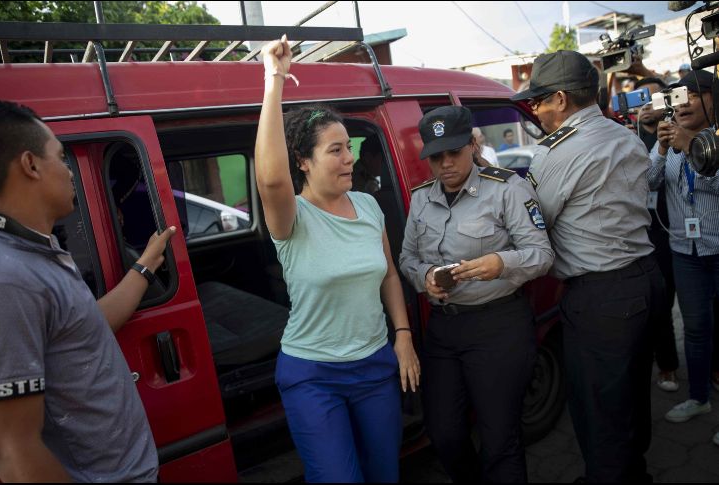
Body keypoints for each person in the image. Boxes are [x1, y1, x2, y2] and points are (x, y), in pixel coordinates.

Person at [0, 100, 175, 482]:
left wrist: (145, 265)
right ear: (30, 165)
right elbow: (11, 452)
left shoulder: (35, 250)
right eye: (61, 157)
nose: (70, 171)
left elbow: (85, 326)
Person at [254, 36, 421, 482]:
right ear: (302, 162)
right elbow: (270, 180)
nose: (350, 158)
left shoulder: (367, 206)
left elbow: (388, 275)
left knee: (384, 473)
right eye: (335, 150)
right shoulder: (292, 217)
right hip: (313, 375)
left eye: (349, 147)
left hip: (373, 366)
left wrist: (401, 334)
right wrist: (274, 80)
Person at [512, 50, 663, 482]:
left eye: (538, 100)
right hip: (645, 280)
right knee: (631, 397)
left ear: (560, 99)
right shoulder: (625, 136)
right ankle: (633, 473)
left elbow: (532, 224)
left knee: (600, 413)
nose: (535, 111)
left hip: (601, 298)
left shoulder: (556, 155)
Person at [399, 105, 554, 483]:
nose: (446, 164)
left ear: (471, 145)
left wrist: (500, 263)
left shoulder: (507, 189)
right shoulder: (422, 198)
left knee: (500, 438)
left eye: (454, 152)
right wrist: (427, 277)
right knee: (445, 433)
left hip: (497, 325)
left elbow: (542, 255)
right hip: (445, 330)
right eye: (437, 157)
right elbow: (407, 258)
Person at [648, 69, 719, 448]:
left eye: (693, 94)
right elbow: (649, 181)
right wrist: (661, 148)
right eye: (678, 96)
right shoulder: (670, 138)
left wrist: (694, 145)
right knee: (694, 330)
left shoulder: (713, 138)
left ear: (712, 98)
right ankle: (699, 399)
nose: (684, 102)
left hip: (718, 248)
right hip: (685, 252)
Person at [634, 76, 682, 392]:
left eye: (655, 98)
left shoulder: (679, 133)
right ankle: (667, 365)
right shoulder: (628, 138)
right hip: (645, 232)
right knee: (658, 302)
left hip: (678, 226)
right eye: (643, 98)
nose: (648, 104)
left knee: (688, 301)